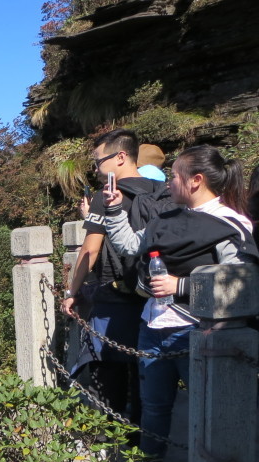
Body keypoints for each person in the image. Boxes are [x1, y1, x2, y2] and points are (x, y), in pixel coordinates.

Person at [103, 145, 258, 462]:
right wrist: (114, 210)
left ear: (196, 180)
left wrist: (181, 285)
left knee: (211, 407)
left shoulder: (230, 223)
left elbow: (241, 281)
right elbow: (131, 247)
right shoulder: (166, 218)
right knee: (153, 405)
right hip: (153, 324)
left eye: (174, 176)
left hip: (197, 330)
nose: (169, 182)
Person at [62, 130, 166, 430]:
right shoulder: (162, 191)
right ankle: (145, 440)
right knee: (146, 374)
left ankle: (112, 440)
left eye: (98, 161)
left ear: (121, 157)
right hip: (155, 295)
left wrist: (72, 291)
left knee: (109, 376)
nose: (96, 169)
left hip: (115, 296)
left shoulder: (105, 196)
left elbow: (90, 250)